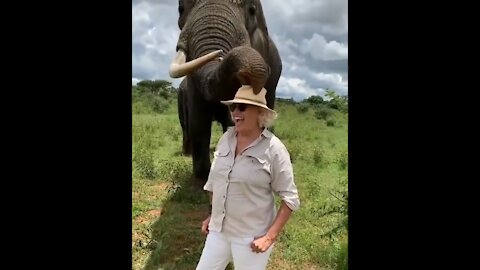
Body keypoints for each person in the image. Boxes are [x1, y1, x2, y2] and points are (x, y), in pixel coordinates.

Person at [196, 85, 300, 270]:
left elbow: (290, 199)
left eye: (242, 107)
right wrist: (213, 215)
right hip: (218, 232)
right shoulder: (225, 139)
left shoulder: (274, 149)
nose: (236, 112)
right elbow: (214, 183)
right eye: (233, 107)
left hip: (251, 238)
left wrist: (269, 237)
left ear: (260, 113)